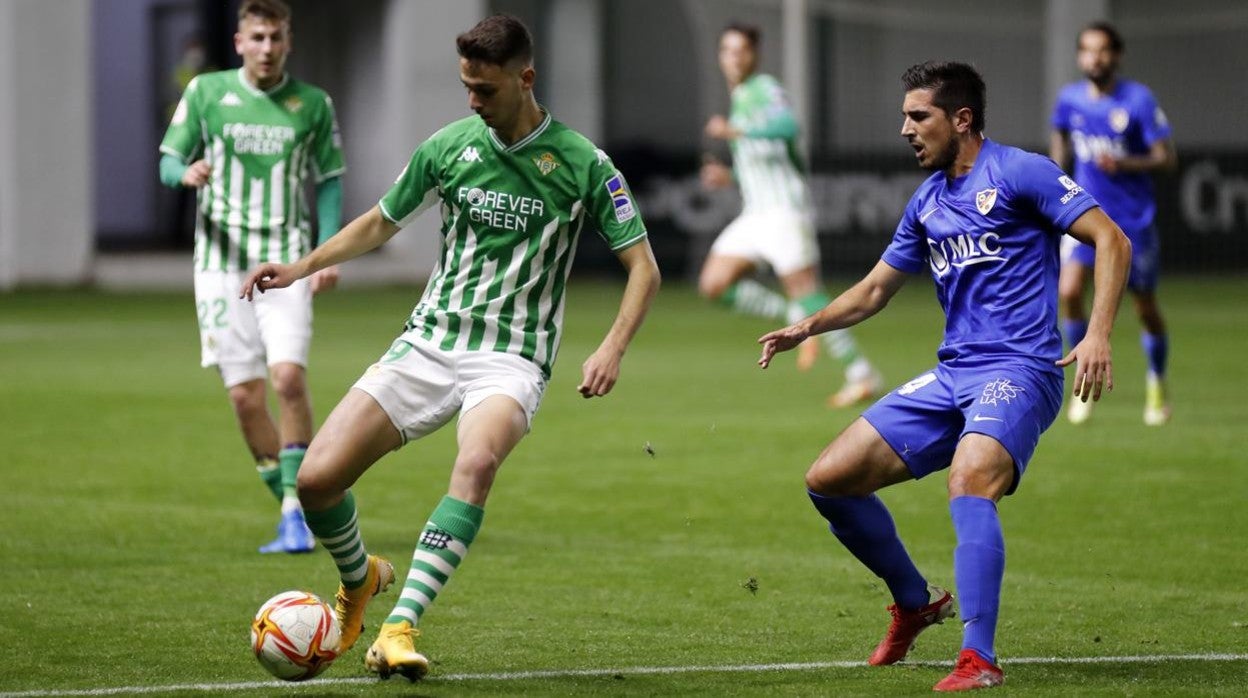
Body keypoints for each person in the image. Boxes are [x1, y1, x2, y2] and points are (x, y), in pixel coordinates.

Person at [239, 14, 660, 682]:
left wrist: (613, 346)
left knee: (478, 461)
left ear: (525, 79)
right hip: (429, 343)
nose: (472, 101)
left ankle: (399, 627)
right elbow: (381, 220)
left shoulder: (583, 164)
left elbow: (644, 266)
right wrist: (300, 265)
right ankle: (360, 582)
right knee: (316, 481)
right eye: (465, 86)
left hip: (511, 358)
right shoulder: (450, 146)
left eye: (485, 89)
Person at [758, 61, 1129, 691]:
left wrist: (1096, 332)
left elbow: (1110, 239)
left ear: (961, 120)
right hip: (953, 374)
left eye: (918, 116)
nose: (905, 128)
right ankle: (914, 601)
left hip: (1021, 370)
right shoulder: (927, 200)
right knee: (829, 479)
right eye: (905, 116)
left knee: (970, 478)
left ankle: (978, 658)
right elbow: (876, 289)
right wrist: (807, 326)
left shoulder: (1020, 172)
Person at [158, 0, 345, 554]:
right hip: (218, 266)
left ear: (288, 42)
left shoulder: (312, 104)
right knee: (244, 397)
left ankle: (298, 509)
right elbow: (167, 158)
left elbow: (329, 179)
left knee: (287, 378)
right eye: (257, 37)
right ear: (239, 43)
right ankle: (287, 504)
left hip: (283, 263)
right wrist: (184, 173)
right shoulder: (207, 93)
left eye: (276, 38)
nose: (267, 48)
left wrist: (326, 254)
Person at [700, 23, 880, 408]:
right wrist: (729, 176)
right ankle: (793, 316)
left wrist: (736, 129)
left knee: (810, 295)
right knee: (714, 282)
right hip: (755, 215)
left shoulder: (764, 89)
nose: (733, 57)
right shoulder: (740, 96)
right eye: (726, 50)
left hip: (784, 213)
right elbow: (765, 164)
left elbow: (787, 126)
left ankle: (861, 373)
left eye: (740, 50)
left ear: (754, 55)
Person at [1050, 21, 1177, 426]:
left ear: (1116, 55)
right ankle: (1083, 380)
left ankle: (1157, 380)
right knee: (1069, 290)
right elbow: (1059, 147)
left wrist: (1124, 163)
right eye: (1087, 50)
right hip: (1085, 218)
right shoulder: (1069, 99)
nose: (1095, 57)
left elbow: (1166, 158)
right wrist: (1054, 184)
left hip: (1132, 222)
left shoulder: (1138, 100)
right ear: (1079, 57)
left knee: (1144, 307)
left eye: (1102, 50)